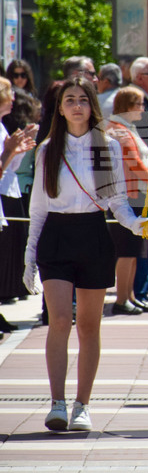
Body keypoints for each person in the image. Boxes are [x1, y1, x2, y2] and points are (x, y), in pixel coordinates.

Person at [22, 78, 147, 432]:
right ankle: (57, 403)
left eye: (83, 100)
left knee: (90, 326)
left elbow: (117, 200)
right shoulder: (47, 149)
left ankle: (82, 405)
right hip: (56, 237)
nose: (77, 106)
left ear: (93, 106)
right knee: (60, 320)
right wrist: (30, 257)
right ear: (59, 108)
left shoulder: (106, 147)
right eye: (69, 100)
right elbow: (39, 207)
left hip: (94, 234)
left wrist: (135, 224)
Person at [103, 87, 148, 315]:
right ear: (126, 106)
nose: (142, 109)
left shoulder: (124, 127)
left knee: (135, 251)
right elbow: (134, 163)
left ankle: (130, 296)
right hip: (128, 196)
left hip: (135, 194)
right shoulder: (119, 130)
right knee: (127, 251)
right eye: (138, 104)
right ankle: (122, 299)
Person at [0, 78, 37, 305]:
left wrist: (17, 150)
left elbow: (8, 165)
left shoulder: (2, 124)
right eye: (9, 93)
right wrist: (10, 151)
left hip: (8, 190)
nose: (13, 98)